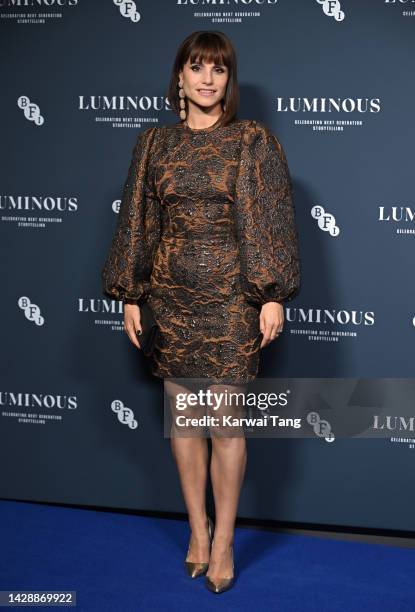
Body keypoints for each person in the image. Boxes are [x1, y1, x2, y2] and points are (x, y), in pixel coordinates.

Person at [101, 30, 301, 594]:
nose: (208, 79)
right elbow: (138, 222)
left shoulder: (252, 141)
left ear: (228, 80)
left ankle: (224, 541)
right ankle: (196, 531)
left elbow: (269, 218)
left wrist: (271, 293)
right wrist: (132, 292)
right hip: (169, 296)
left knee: (226, 425)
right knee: (184, 423)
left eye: (218, 69)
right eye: (197, 67)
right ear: (180, 77)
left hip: (233, 301)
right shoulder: (153, 145)